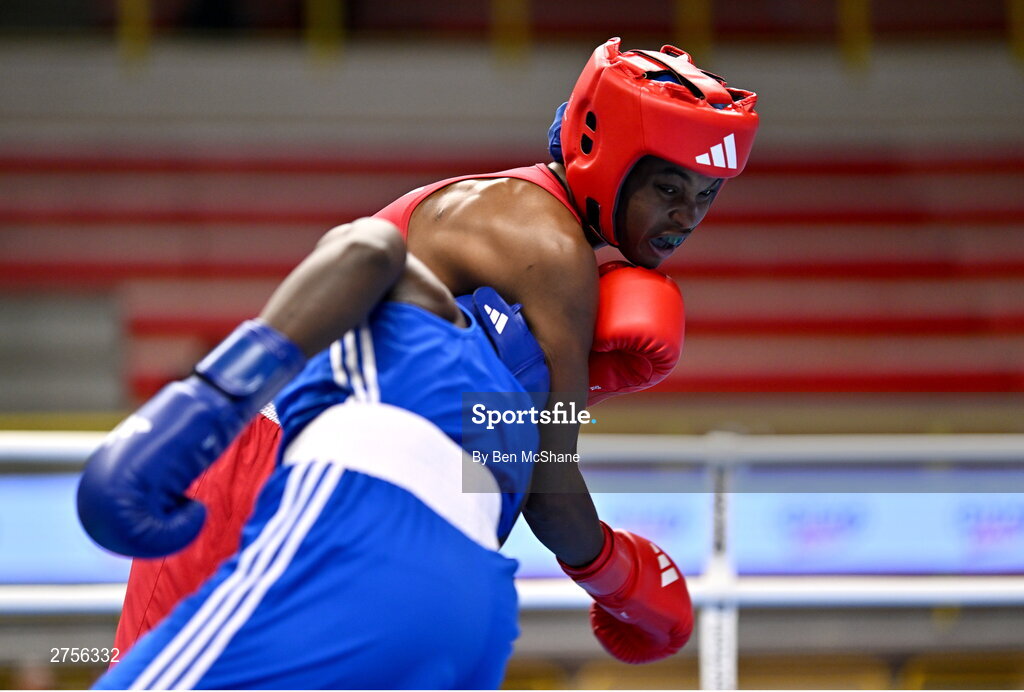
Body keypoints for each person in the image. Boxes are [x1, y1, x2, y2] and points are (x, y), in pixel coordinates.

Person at [111, 36, 759, 664]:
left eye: (705, 196)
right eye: (668, 189)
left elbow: (484, 457)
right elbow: (547, 484)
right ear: (610, 155)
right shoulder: (550, 250)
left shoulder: (523, 222)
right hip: (269, 463)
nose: (685, 218)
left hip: (343, 483)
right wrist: (621, 575)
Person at [79, 217, 693, 688]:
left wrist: (197, 407)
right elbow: (559, 512)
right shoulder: (522, 434)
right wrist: (624, 580)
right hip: (476, 612)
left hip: (351, 527)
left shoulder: (443, 323)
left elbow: (368, 245)